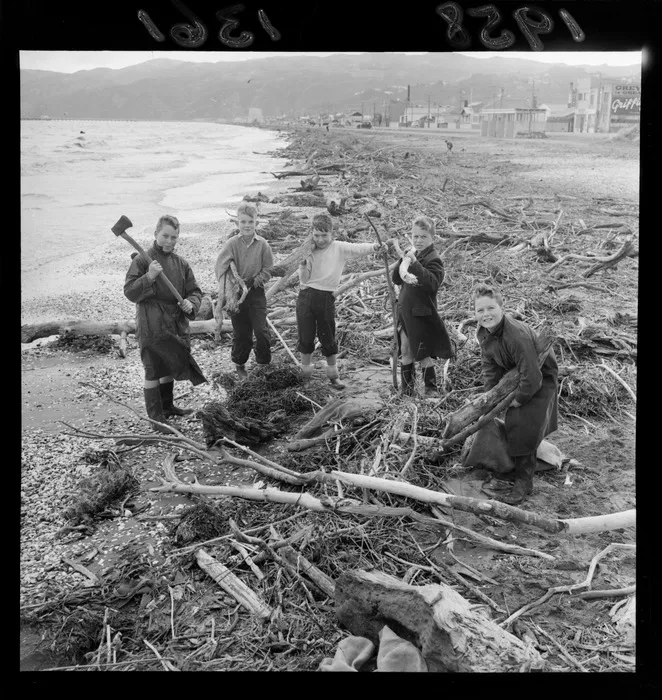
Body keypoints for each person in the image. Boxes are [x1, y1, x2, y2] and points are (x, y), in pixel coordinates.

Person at [470, 284, 559, 505]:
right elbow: (489, 366)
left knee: (521, 423)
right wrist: (490, 396)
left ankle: (523, 483)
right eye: (480, 311)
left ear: (501, 307)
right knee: (493, 420)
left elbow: (532, 375)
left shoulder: (515, 335)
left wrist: (518, 400)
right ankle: (509, 465)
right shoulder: (483, 332)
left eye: (491, 308)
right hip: (514, 376)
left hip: (539, 379)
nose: (486, 314)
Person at [124, 215, 206, 432]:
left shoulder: (181, 264)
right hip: (150, 321)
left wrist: (191, 303)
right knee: (152, 368)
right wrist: (149, 277)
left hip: (174, 322)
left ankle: (167, 407)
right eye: (165, 236)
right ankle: (156, 417)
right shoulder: (143, 260)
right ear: (155, 234)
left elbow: (195, 291)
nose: (169, 241)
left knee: (170, 363)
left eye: (174, 237)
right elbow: (130, 292)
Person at [297, 212, 387, 389]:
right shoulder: (307, 249)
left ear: (332, 234)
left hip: (326, 298)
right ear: (311, 234)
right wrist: (303, 264)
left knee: (328, 336)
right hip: (306, 296)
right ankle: (305, 376)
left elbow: (358, 248)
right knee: (305, 337)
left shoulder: (339, 247)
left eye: (324, 235)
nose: (321, 240)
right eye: (316, 235)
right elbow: (304, 280)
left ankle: (333, 375)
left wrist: (376, 247)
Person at [392, 216, 453, 397]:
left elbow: (432, 284)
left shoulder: (434, 259)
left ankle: (431, 389)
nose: (418, 240)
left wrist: (415, 264)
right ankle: (407, 390)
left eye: (423, 237)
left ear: (432, 237)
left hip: (420, 315)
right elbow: (396, 279)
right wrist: (401, 261)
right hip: (405, 314)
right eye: (415, 236)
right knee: (405, 350)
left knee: (422, 352)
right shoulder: (413, 254)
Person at [214, 202, 274, 379]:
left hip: (256, 292)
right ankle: (240, 364)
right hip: (237, 295)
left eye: (250, 221)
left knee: (261, 330)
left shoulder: (263, 245)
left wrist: (255, 281)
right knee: (241, 334)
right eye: (243, 222)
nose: (247, 225)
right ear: (237, 223)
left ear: (257, 223)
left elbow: (269, 269)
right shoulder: (231, 244)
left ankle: (263, 364)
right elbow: (220, 267)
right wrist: (230, 286)